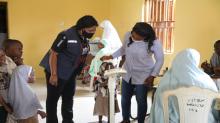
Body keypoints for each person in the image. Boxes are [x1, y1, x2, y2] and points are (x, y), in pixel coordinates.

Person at [101, 22, 164, 123]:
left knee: (141, 101)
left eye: (138, 36)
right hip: (127, 73)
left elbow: (160, 60)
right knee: (125, 98)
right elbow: (123, 49)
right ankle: (125, 120)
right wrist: (111, 56)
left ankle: (140, 121)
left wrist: (152, 76)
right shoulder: (128, 35)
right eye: (133, 34)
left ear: (145, 36)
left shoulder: (154, 42)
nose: (134, 36)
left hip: (144, 75)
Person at [39, 15, 98, 123]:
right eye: (90, 30)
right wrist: (53, 74)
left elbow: (83, 54)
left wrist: (98, 56)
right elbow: (53, 54)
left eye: (94, 30)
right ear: (82, 28)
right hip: (57, 71)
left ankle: (68, 120)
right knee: (53, 99)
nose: (93, 32)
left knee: (68, 97)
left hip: (71, 73)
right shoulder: (65, 35)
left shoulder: (84, 37)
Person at [149, 48, 218, 123]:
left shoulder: (166, 80)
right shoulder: (206, 80)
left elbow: (158, 108)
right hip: (205, 120)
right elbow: (216, 106)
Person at [0, 49, 12, 123]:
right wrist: (5, 106)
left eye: (2, 55)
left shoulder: (8, 62)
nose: (1, 58)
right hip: (2, 105)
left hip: (9, 101)